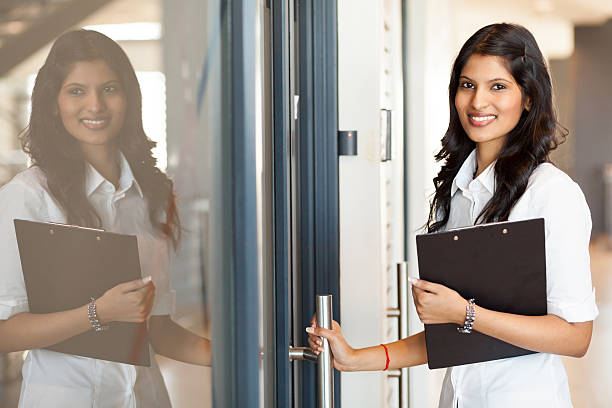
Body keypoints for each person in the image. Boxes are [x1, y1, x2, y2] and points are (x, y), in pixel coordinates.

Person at [307, 23, 597, 407]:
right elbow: (455, 337)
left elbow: (576, 336)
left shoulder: (551, 195)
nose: (478, 102)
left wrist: (465, 312)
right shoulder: (458, 193)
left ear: (528, 98)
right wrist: (356, 357)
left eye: (498, 86)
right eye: (467, 85)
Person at [0, 29, 211, 407]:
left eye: (110, 89)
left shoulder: (152, 197)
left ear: (129, 97)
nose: (95, 105)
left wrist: (252, 355)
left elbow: (158, 331)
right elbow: (4, 332)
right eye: (76, 91)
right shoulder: (28, 197)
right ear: (54, 102)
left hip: (146, 398)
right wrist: (98, 313)